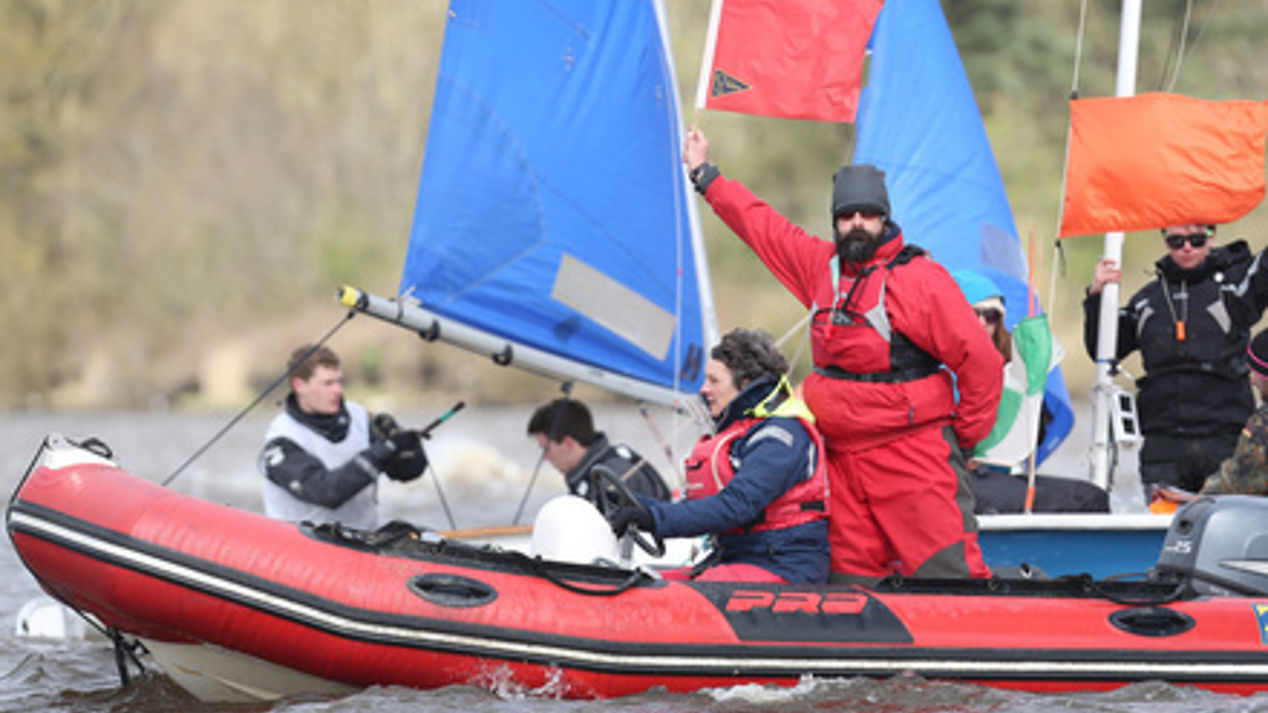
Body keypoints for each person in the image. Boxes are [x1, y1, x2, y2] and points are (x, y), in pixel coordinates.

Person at [683, 128, 1002, 583]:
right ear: (834, 221)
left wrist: (965, 439)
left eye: (867, 215)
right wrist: (706, 176)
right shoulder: (820, 268)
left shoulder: (921, 280)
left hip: (912, 455)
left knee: (948, 575)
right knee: (851, 580)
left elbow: (982, 362)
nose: (856, 223)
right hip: (840, 459)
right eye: (846, 214)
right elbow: (762, 226)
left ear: (884, 218)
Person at [608, 328, 830, 583]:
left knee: (679, 595)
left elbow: (736, 506)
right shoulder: (743, 432)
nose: (704, 390)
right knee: (646, 583)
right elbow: (699, 507)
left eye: (714, 381)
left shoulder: (782, 436)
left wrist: (654, 520)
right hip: (737, 558)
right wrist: (640, 506)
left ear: (745, 384)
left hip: (782, 566)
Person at [1084, 223, 1262, 496]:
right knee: (1168, 529)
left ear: (1211, 237)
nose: (1187, 247)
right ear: (1165, 241)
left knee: (1221, 526)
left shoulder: (1234, 290)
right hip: (1163, 445)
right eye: (1177, 241)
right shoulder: (1146, 300)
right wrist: (1097, 296)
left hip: (1225, 441)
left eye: (1197, 239)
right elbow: (1103, 348)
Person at [952, 270, 1108, 514]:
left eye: (991, 316)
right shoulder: (938, 368)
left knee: (1092, 497)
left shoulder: (1012, 366)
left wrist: (1033, 402)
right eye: (973, 314)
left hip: (996, 474)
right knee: (1071, 504)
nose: (982, 323)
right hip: (956, 480)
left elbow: (1030, 439)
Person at [258, 344, 427, 530]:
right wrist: (385, 449)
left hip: (361, 541)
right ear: (299, 386)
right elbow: (327, 492)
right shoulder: (282, 439)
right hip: (303, 547)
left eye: (339, 382)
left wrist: (409, 448)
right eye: (328, 383)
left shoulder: (360, 417)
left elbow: (406, 473)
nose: (338, 390)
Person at [1156, 330, 1268, 502]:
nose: (1252, 380)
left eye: (1256, 373)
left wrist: (1196, 500)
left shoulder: (1264, 424)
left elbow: (1243, 480)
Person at [526, 398, 672, 505]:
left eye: (546, 449)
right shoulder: (596, 471)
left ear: (568, 443)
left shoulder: (611, 476)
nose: (545, 457)